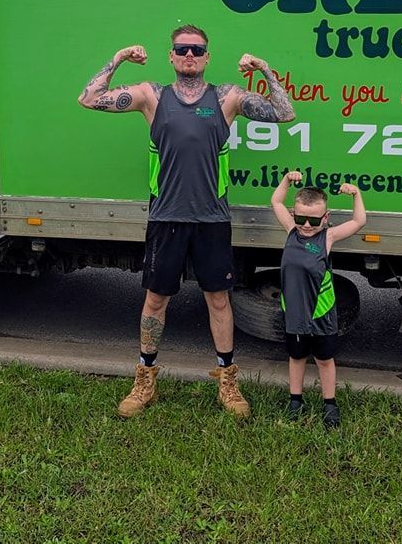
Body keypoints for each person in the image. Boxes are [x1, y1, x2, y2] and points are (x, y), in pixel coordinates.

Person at [78, 24, 295, 419]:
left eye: (197, 50)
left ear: (207, 57)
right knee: (155, 300)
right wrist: (119, 59)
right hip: (166, 218)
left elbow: (284, 112)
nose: (190, 55)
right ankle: (145, 379)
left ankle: (228, 381)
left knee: (218, 300)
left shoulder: (226, 97)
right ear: (172, 56)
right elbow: (88, 99)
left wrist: (264, 69)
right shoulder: (151, 96)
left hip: (212, 219)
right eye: (183, 49)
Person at [270, 171, 367, 428]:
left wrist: (356, 194)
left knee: (324, 359)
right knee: (296, 356)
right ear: (294, 214)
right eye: (301, 218)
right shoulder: (291, 231)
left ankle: (330, 404)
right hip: (294, 312)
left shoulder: (328, 238)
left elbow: (359, 221)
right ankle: (295, 400)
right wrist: (287, 182)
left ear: (326, 218)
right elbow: (276, 202)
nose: (307, 225)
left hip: (320, 313)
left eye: (314, 220)